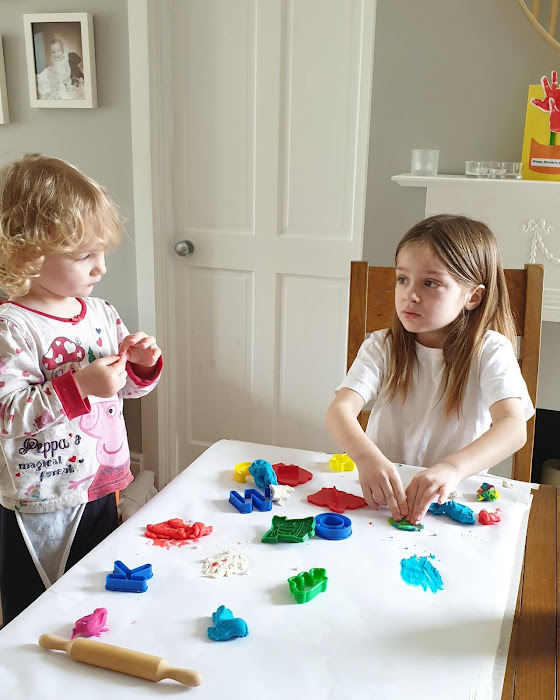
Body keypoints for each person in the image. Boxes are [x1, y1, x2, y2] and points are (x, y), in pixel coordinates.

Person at [0, 154, 162, 625]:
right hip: (41, 499)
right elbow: (7, 414)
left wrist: (141, 367)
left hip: (100, 484)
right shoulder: (12, 327)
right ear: (26, 253)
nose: (101, 268)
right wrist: (79, 387)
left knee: (92, 592)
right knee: (37, 612)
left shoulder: (101, 313)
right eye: (83, 256)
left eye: (102, 253)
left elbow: (124, 394)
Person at [326, 214, 533, 527]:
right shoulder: (383, 345)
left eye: (430, 283)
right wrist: (366, 457)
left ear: (472, 297)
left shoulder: (490, 351)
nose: (410, 294)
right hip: (384, 501)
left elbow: (513, 429)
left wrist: (452, 468)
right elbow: (339, 411)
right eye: (403, 279)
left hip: (452, 501)